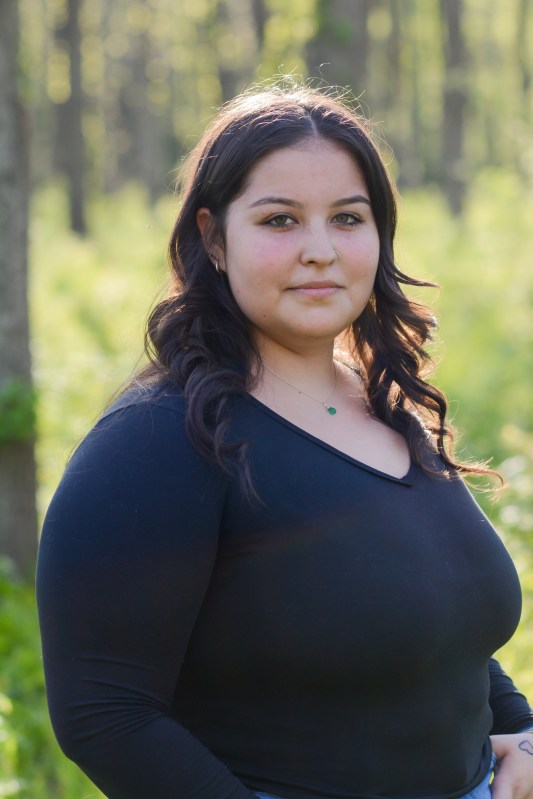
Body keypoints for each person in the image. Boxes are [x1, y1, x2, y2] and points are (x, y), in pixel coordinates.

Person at [37, 84, 533, 799]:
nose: (320, 251)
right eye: (280, 220)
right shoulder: (159, 441)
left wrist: (521, 733)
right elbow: (105, 713)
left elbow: (439, 628)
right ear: (213, 237)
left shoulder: (386, 408)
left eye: (347, 218)